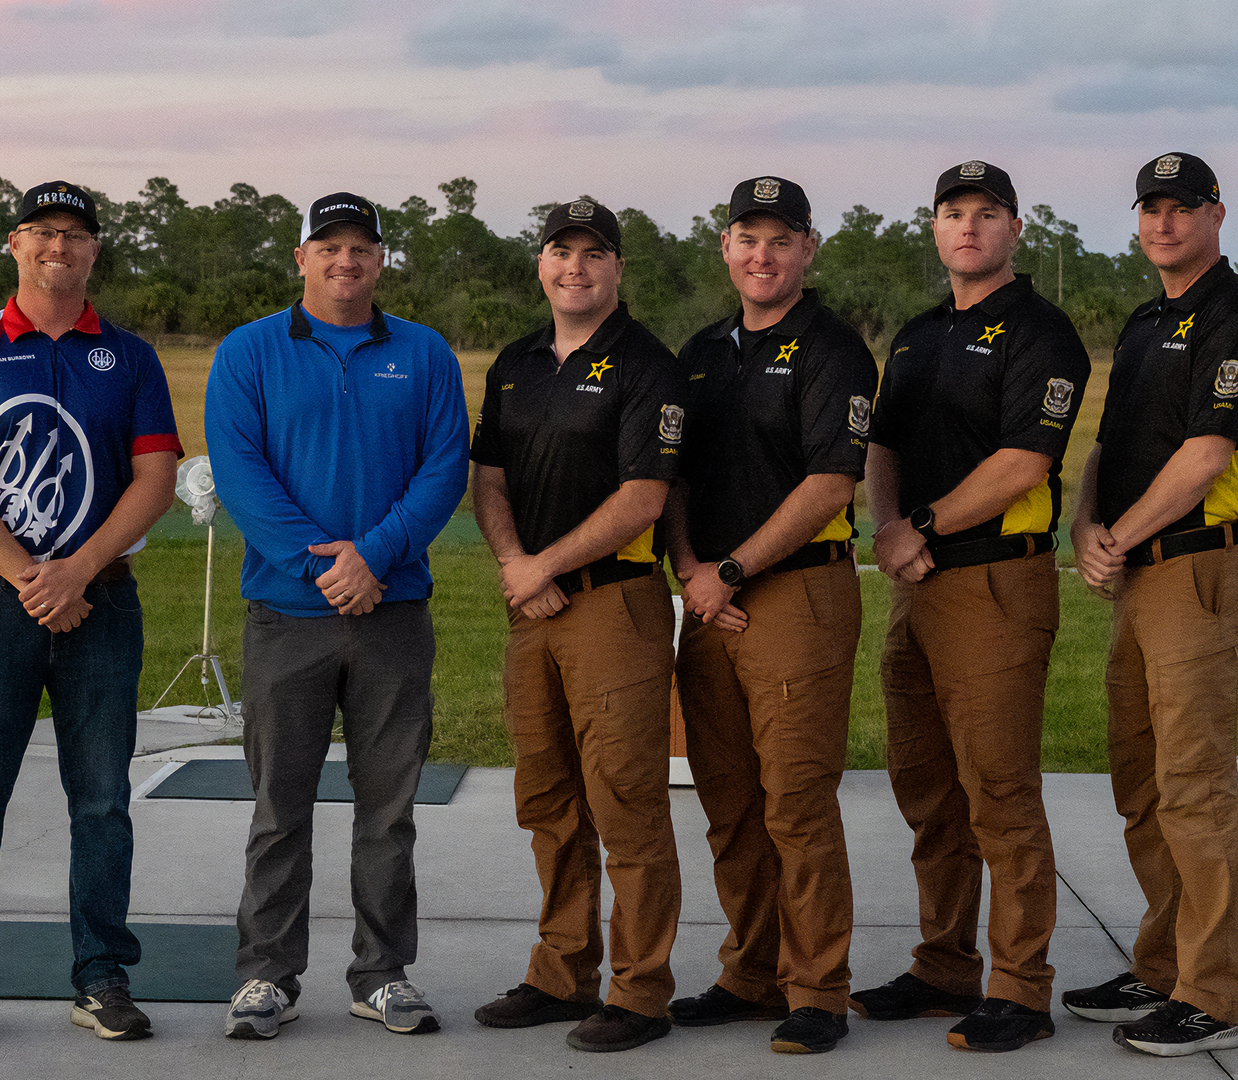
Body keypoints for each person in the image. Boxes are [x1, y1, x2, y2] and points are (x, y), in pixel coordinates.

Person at [0, 180, 182, 1046]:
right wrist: (33, 576)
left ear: (95, 251)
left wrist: (80, 573)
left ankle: (101, 976)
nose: (59, 246)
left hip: (102, 600)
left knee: (101, 799)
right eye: (42, 232)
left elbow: (156, 478)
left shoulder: (130, 357)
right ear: (15, 246)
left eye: (75, 233)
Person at [204, 192, 469, 1041]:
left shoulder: (423, 353)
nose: (345, 260)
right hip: (289, 614)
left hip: (393, 612)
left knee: (387, 808)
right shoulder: (249, 351)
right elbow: (241, 472)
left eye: (361, 246)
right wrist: (323, 564)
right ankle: (267, 977)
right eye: (330, 246)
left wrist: (375, 557)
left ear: (381, 259)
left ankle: (383, 974)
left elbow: (443, 469)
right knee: (281, 804)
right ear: (301, 256)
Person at [852, 160, 1090, 1053]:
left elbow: (1023, 462)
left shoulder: (1040, 332)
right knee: (927, 788)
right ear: (935, 227)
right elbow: (881, 445)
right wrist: (889, 531)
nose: (968, 228)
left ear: (1015, 229)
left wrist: (918, 525)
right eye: (954, 213)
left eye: (986, 214)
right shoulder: (915, 336)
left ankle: (1021, 988)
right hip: (915, 583)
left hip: (995, 579)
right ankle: (943, 965)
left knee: (999, 788)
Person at [1064, 152, 1238, 1057]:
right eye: (1151, 208)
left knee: (1193, 786)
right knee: (1141, 780)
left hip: (1197, 569)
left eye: (1181, 207)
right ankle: (1160, 962)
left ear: (1216, 213)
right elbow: (1111, 445)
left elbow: (1206, 455)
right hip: (1136, 572)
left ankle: (1211, 994)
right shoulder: (1149, 319)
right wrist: (1085, 524)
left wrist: (1122, 535)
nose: (1164, 223)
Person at [664, 176, 877, 1055]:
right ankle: (750, 972)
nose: (763, 254)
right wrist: (690, 573)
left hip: (795, 592)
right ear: (725, 247)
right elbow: (668, 473)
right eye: (749, 238)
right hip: (707, 598)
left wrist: (734, 568)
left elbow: (831, 480)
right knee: (729, 802)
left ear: (808, 250)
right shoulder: (703, 350)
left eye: (781, 240)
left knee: (795, 800)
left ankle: (817, 987)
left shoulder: (835, 350)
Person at [467, 198, 686, 1054]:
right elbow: (489, 477)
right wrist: (518, 568)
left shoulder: (647, 365)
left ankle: (641, 991)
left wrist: (544, 566)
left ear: (618, 269)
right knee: (548, 798)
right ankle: (563, 972)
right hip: (533, 608)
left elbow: (643, 496)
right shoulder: (516, 362)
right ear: (541, 264)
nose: (576, 268)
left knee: (625, 801)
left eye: (595, 254)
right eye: (562, 252)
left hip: (614, 603)